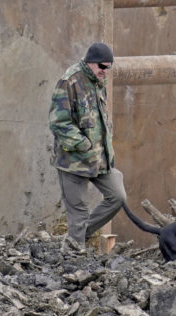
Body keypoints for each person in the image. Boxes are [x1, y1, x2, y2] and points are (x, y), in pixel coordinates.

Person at [48, 42, 126, 252]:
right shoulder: (69, 82)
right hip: (74, 162)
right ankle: (72, 265)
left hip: (98, 160)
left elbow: (100, 120)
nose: (105, 71)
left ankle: (79, 236)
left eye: (108, 67)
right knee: (79, 213)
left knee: (117, 196)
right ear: (90, 62)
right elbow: (58, 122)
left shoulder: (98, 81)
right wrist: (83, 144)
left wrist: (106, 152)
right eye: (102, 66)